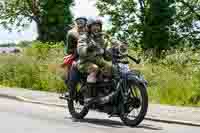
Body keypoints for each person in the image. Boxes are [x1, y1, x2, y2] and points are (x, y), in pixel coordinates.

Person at [76, 17, 112, 83]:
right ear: (89, 27)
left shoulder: (102, 39)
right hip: (85, 63)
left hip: (99, 62)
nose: (96, 28)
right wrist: (88, 48)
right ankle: (91, 92)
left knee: (112, 68)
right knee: (94, 68)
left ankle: (107, 89)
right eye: (94, 25)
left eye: (98, 26)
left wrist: (111, 50)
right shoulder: (84, 37)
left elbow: (107, 57)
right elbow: (80, 50)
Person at [62, 16, 87, 82]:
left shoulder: (88, 31)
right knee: (73, 69)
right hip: (75, 54)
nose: (80, 23)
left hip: (87, 54)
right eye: (78, 21)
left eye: (82, 21)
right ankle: (71, 87)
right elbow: (68, 50)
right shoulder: (72, 32)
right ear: (76, 23)